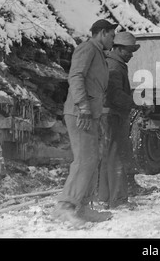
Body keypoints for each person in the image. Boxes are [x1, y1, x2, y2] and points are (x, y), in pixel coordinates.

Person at [51, 19, 118, 228]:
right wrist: (83, 106)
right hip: (80, 113)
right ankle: (66, 206)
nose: (113, 41)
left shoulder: (98, 53)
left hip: (90, 113)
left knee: (92, 158)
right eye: (112, 36)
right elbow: (76, 76)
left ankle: (83, 207)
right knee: (83, 160)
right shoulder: (87, 49)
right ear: (101, 33)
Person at [98, 32, 154, 209]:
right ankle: (119, 200)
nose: (131, 54)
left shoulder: (114, 63)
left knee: (109, 156)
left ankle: (104, 197)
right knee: (118, 156)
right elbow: (115, 95)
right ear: (119, 49)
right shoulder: (115, 66)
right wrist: (137, 103)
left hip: (108, 115)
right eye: (129, 51)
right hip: (114, 115)